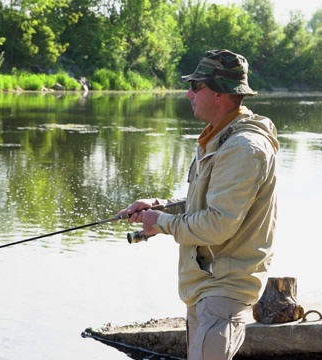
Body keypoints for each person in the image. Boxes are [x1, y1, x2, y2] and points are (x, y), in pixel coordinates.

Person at [117, 49, 279, 360]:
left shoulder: (243, 148)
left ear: (220, 93)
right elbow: (207, 203)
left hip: (224, 289)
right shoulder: (221, 137)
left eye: (195, 85)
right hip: (207, 286)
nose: (188, 93)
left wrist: (160, 223)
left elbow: (218, 223)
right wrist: (161, 207)